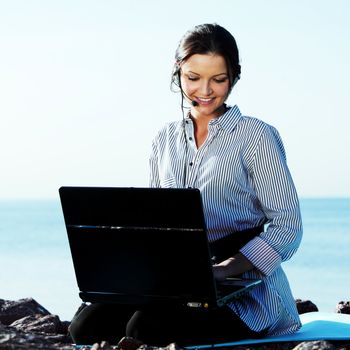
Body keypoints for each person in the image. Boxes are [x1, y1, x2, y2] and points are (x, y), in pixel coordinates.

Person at [69, 23, 303, 347]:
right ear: (177, 72)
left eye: (218, 79)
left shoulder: (256, 137)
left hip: (244, 291)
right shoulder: (163, 140)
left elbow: (288, 227)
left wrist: (224, 269)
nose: (205, 91)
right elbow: (154, 226)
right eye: (193, 78)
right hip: (174, 284)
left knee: (145, 328)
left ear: (234, 76)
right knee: (85, 328)